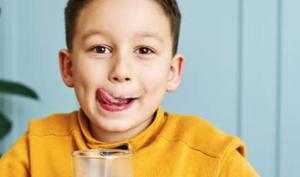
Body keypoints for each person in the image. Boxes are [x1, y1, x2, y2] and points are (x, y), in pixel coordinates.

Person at [0, 0, 259, 176]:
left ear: (172, 72)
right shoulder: (35, 149)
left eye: (144, 50)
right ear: (69, 67)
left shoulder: (213, 158)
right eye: (100, 49)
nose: (121, 71)